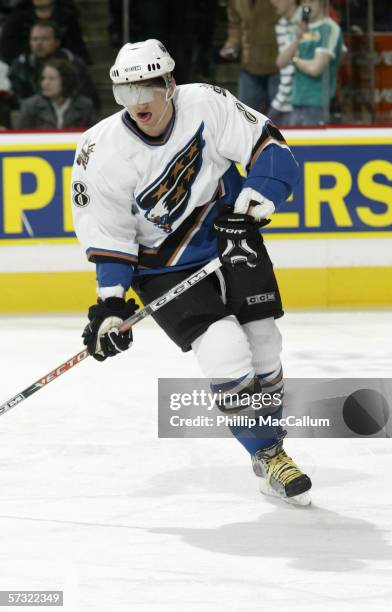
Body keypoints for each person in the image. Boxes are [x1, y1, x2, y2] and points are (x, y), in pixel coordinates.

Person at [71, 39, 312, 506]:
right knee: (225, 352)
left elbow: (269, 146)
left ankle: (268, 436)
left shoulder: (206, 102)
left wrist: (259, 200)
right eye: (125, 93)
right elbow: (112, 235)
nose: (138, 103)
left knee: (264, 342)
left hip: (230, 238)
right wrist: (110, 306)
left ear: (170, 85)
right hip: (162, 269)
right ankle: (269, 452)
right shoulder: (98, 150)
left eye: (147, 88)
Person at [9, 20, 99, 111]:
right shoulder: (20, 66)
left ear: (57, 42)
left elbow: (89, 98)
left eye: (45, 39)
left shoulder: (74, 65)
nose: (39, 44)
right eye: (35, 39)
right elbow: (17, 100)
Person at [278, 0, 343, 125]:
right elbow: (281, 62)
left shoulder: (330, 28)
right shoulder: (298, 28)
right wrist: (297, 39)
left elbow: (316, 69)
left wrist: (296, 60)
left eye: (312, 1)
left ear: (322, 3)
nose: (307, 5)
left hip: (319, 103)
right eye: (304, 2)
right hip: (296, 102)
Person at [219, 0, 280, 114]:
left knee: (280, 122)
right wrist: (232, 44)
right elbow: (235, 23)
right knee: (246, 118)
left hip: (279, 66)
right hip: (250, 66)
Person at [0, 0, 90, 65]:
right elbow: (8, 50)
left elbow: (77, 47)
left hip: (61, 66)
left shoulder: (68, 17)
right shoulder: (17, 18)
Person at [17, 57, 95, 129]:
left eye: (51, 79)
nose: (45, 83)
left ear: (66, 80)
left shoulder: (85, 106)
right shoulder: (30, 106)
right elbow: (20, 138)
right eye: (43, 78)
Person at [268, 0, 303, 125]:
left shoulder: (308, 20)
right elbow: (283, 64)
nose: (272, 2)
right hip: (283, 99)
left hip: (301, 101)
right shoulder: (281, 24)